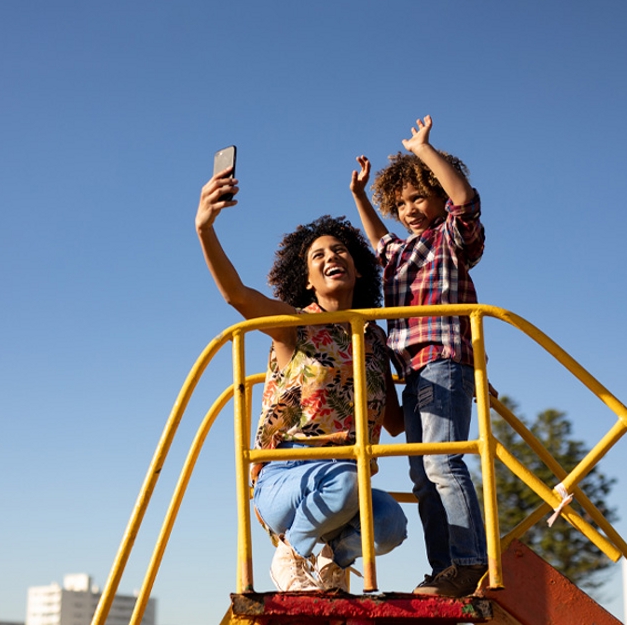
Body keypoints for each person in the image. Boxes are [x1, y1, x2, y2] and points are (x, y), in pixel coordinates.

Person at [196, 167, 407, 593]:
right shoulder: (294, 326)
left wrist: (462, 372)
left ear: (360, 269)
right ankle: (290, 552)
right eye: (319, 256)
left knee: (391, 523)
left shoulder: (373, 337)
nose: (333, 257)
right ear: (308, 281)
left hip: (345, 477)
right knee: (347, 485)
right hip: (287, 476)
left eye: (342, 250)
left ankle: (332, 557)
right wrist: (205, 229)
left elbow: (397, 423)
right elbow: (237, 295)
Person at [349, 115, 489, 597]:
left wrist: (425, 151)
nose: (410, 209)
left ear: (436, 196)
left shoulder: (448, 239)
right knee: (421, 473)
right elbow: (376, 241)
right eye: (402, 202)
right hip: (413, 373)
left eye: (419, 197)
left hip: (445, 360)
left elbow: (465, 203)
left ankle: (471, 561)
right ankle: (445, 567)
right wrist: (361, 198)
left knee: (442, 461)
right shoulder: (401, 251)